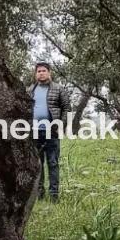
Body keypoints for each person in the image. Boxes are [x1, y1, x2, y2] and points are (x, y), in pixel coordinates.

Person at [26, 61, 70, 201]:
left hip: (52, 131)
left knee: (52, 163)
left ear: (49, 73)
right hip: (34, 132)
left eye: (44, 70)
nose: (41, 73)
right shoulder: (30, 90)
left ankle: (54, 195)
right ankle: (39, 194)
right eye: (39, 71)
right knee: (37, 164)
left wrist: (59, 125)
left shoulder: (58, 89)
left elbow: (66, 109)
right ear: (35, 74)